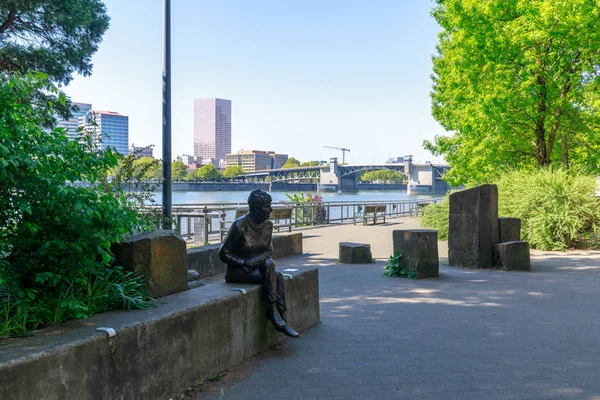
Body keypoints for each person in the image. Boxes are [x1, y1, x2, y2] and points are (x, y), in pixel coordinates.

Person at [218, 189, 299, 338]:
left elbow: (269, 251)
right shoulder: (239, 225)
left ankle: (276, 313)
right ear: (256, 208)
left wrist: (254, 261)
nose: (271, 209)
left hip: (257, 267)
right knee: (277, 276)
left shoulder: (268, 225)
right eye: (267, 206)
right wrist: (244, 262)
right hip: (239, 271)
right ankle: (278, 316)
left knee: (272, 268)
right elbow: (223, 253)